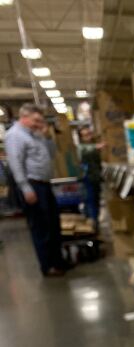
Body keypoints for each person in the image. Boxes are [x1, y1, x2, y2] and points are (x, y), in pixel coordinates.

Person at [6, 103, 65, 276]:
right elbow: (15, 163)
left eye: (41, 120)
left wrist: (47, 137)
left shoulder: (35, 134)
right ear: (24, 117)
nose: (39, 124)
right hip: (33, 186)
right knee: (41, 227)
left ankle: (58, 262)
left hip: (44, 184)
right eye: (36, 120)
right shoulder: (15, 135)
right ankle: (48, 266)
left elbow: (52, 154)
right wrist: (25, 188)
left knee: (53, 225)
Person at [78, 127, 103, 223]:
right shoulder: (81, 147)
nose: (88, 137)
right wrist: (96, 147)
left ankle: (95, 220)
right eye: (85, 135)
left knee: (96, 200)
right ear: (81, 137)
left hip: (96, 177)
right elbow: (84, 151)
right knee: (89, 199)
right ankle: (91, 221)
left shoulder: (93, 146)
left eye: (89, 134)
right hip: (87, 177)